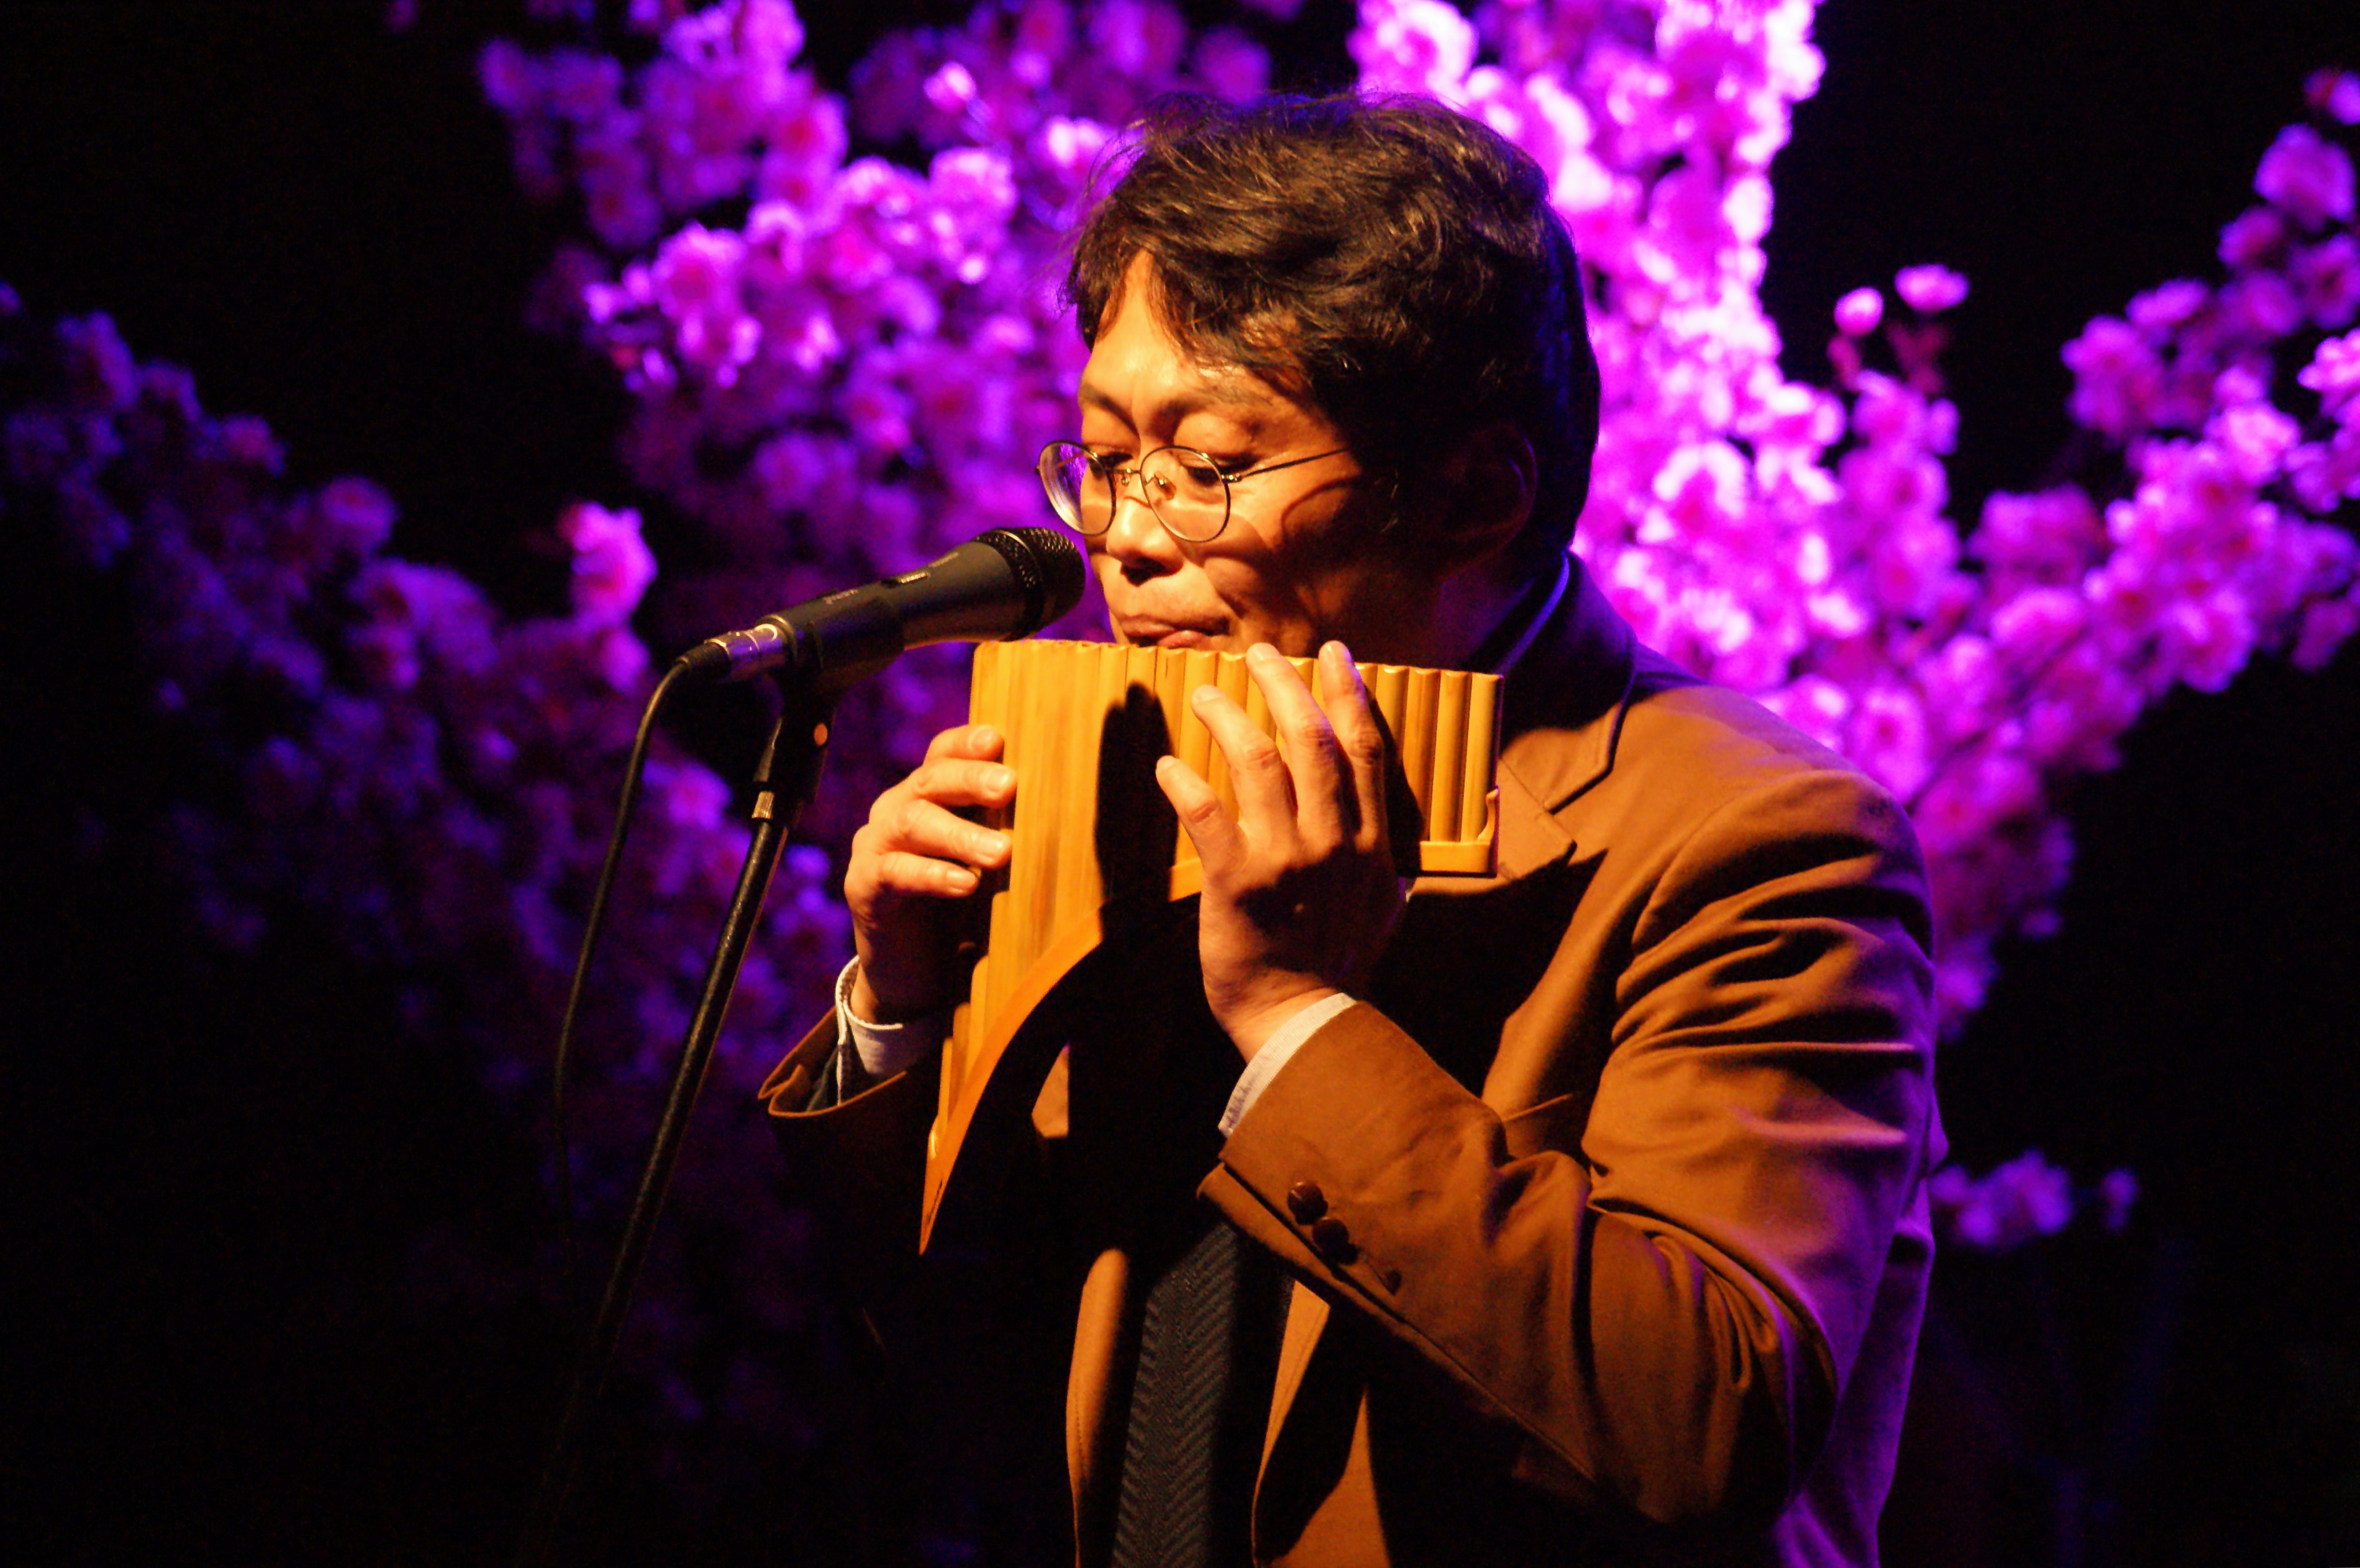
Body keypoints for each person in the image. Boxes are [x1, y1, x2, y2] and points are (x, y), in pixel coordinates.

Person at [760, 93, 1942, 1568]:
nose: (1124, 536)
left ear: (1474, 495)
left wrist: (1297, 1018)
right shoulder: (1129, 781)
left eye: (1206, 467)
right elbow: (958, 1374)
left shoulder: (1763, 840)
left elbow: (1703, 1423)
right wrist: (899, 1015)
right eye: (1107, 459)